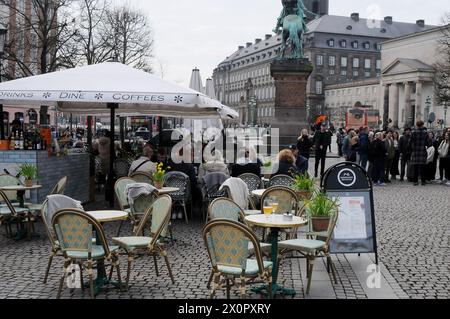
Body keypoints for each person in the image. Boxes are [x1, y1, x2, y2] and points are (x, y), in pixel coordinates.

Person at [410, 121, 428, 186]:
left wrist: (412, 149)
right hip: (422, 151)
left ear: (417, 125)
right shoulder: (425, 133)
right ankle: (423, 181)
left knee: (415, 168)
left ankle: (415, 181)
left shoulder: (413, 132)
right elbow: (427, 142)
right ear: (422, 125)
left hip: (415, 152)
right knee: (423, 168)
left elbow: (410, 142)